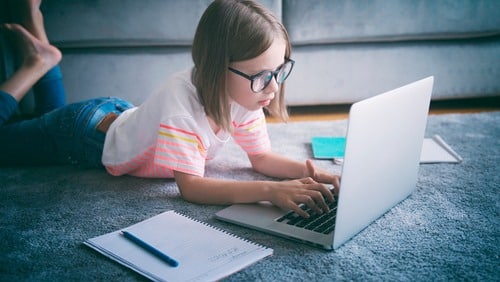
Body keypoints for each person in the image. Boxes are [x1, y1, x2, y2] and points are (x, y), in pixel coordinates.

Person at [0, 0, 340, 218]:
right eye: (262, 76)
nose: (274, 87)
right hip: (82, 134)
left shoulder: (248, 94)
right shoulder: (183, 108)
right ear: (216, 68)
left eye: (279, 71)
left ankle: (40, 48)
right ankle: (32, 67)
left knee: (42, 119)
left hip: (114, 114)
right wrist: (270, 191)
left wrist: (307, 171)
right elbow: (191, 187)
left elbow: (261, 159)